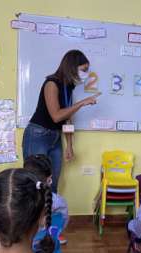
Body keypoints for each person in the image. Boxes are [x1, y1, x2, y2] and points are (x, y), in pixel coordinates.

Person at [22, 50, 100, 192]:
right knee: (34, 183)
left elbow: (67, 118)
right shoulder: (51, 83)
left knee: (52, 183)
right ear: (71, 67)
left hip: (55, 136)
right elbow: (57, 116)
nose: (87, 73)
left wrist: (69, 145)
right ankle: (32, 215)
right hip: (38, 135)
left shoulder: (68, 87)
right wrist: (82, 103)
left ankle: (48, 214)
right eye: (84, 69)